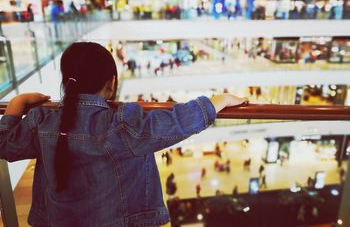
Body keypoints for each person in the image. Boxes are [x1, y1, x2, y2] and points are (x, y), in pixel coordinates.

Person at [0, 42, 247, 227]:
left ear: (66, 82)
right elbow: (173, 122)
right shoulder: (121, 123)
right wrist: (217, 100)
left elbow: (4, 146)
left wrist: (15, 106)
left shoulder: (41, 121)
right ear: (112, 83)